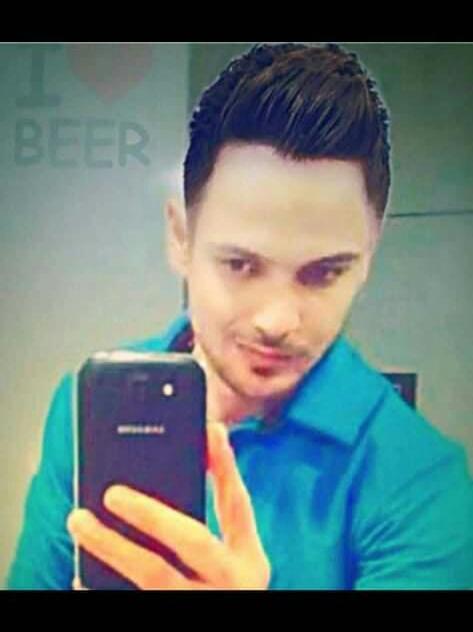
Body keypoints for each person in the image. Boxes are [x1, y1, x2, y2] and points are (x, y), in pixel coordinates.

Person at [7, 42, 473, 590]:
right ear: (180, 238)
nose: (277, 320)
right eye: (240, 265)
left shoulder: (421, 480)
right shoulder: (86, 407)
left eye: (324, 272)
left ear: (368, 258)